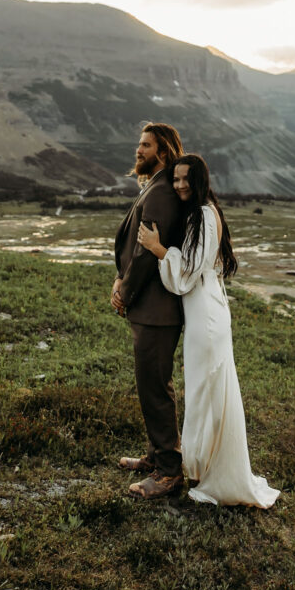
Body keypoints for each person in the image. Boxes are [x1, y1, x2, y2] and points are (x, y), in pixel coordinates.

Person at [137, 154, 280, 508]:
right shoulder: (203, 213)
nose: (180, 185)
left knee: (206, 389)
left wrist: (157, 249)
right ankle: (203, 467)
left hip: (206, 314)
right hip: (206, 310)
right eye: (176, 179)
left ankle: (210, 472)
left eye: (186, 179)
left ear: (200, 180)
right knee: (206, 389)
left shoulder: (202, 214)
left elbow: (186, 276)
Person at [112, 122, 186, 500]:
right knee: (150, 384)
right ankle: (157, 456)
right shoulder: (156, 186)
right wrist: (119, 279)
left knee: (155, 388)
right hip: (150, 307)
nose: (138, 150)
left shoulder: (160, 193)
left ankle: (170, 473)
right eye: (138, 144)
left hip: (157, 309)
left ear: (162, 151)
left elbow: (144, 254)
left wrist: (125, 289)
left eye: (145, 145)